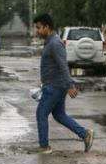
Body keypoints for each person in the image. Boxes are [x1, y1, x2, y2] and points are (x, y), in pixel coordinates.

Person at [33, 13, 94, 155]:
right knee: (59, 115)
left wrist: (70, 85)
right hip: (54, 85)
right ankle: (85, 135)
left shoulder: (55, 43)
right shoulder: (50, 42)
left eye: (39, 28)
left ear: (47, 27)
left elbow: (63, 66)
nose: (37, 31)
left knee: (41, 114)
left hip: (55, 87)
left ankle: (44, 146)